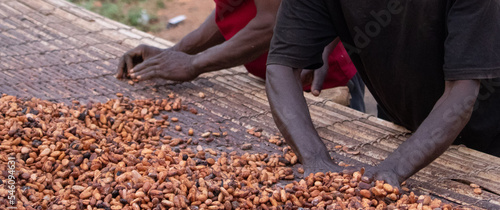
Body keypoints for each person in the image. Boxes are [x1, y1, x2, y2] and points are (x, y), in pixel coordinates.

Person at [265, 0, 500, 188]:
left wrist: (394, 169)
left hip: (490, 131)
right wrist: (315, 158)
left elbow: (462, 91)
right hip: (403, 114)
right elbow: (282, 65)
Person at [116, 0, 366, 112]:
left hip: (318, 80)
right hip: (271, 80)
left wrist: (193, 64)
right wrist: (173, 54)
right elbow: (229, 10)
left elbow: (271, 22)